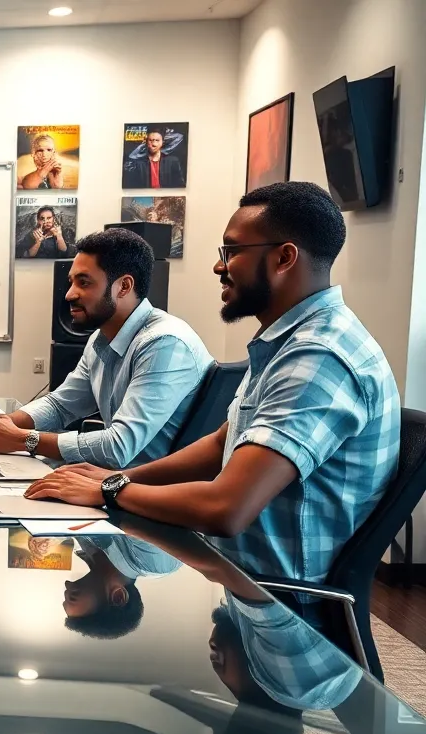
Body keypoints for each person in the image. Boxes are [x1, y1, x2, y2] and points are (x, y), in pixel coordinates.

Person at [26, 182, 400, 610]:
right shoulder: (288, 343)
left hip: (283, 613)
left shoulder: (319, 357)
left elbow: (227, 507)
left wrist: (109, 488)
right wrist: (122, 479)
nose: (218, 268)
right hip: (236, 585)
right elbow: (223, 441)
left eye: (231, 251)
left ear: (284, 257)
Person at [0, 229, 211, 468]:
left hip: (150, 495)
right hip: (111, 481)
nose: (69, 294)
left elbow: (118, 447)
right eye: (71, 282)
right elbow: (60, 406)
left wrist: (22, 439)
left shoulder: (165, 343)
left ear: (124, 287)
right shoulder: (101, 338)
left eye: (84, 283)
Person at [63, 536, 179, 639]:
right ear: (118, 597)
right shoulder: (157, 561)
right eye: (74, 595)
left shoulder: (81, 550)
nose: (67, 584)